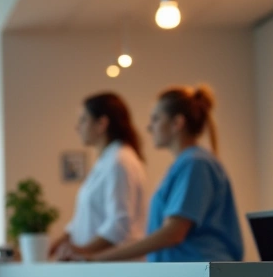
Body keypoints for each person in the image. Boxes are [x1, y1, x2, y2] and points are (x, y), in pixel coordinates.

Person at [88, 86, 244, 262]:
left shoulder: (196, 164)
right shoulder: (186, 164)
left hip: (200, 275)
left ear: (177, 123)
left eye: (155, 119)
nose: (149, 127)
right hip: (187, 273)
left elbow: (172, 234)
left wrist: (98, 258)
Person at [51, 93, 148, 260]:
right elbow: (87, 218)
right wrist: (60, 242)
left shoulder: (120, 161)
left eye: (83, 120)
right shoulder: (107, 161)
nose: (77, 127)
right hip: (100, 267)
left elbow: (119, 224)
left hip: (114, 268)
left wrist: (83, 252)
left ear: (102, 123)